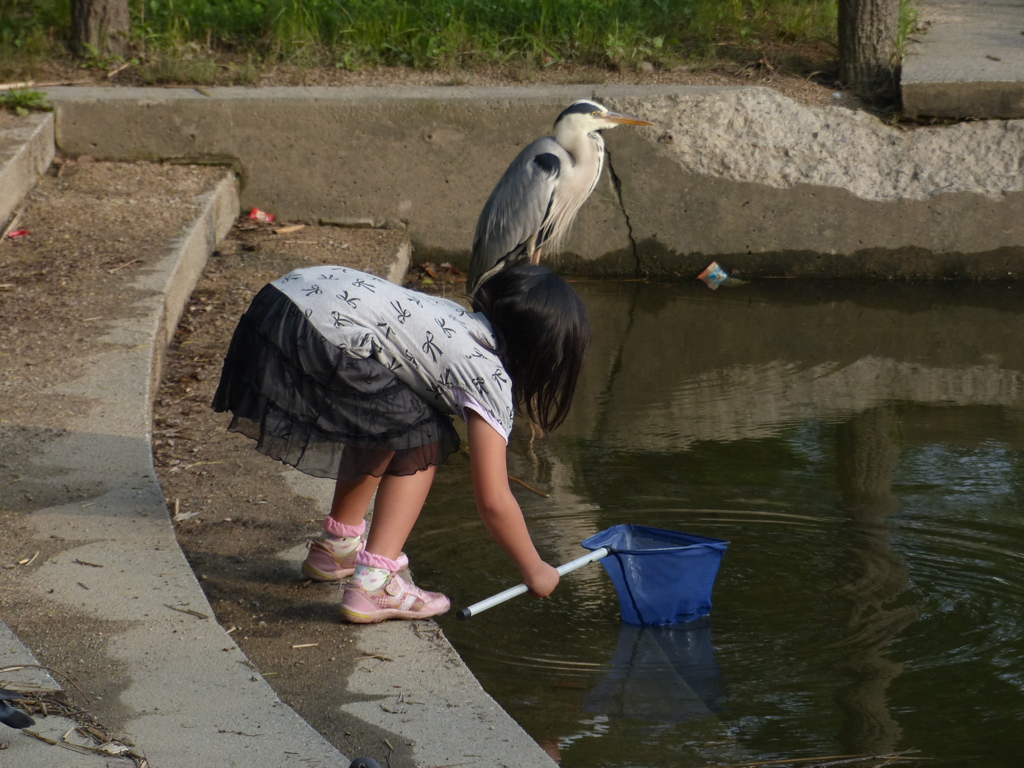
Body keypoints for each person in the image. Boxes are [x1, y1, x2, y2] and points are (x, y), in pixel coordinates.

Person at [212, 263, 589, 623]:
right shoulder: (488, 376)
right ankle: (375, 584)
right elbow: (494, 499)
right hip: (319, 330)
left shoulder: (451, 317)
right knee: (424, 434)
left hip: (282, 300)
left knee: (392, 413)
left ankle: (338, 548)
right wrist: (533, 567)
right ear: (544, 355)